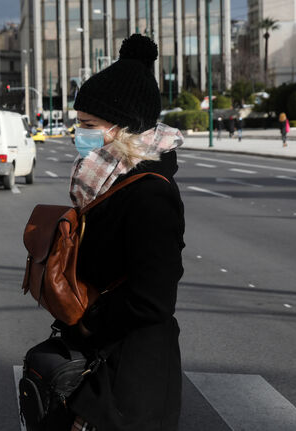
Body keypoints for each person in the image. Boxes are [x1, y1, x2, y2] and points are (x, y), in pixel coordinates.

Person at [63, 33, 185, 431]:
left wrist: (90, 321)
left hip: (132, 375)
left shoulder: (150, 193)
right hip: (107, 359)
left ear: (122, 128)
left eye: (88, 124)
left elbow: (153, 299)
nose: (78, 133)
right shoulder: (108, 181)